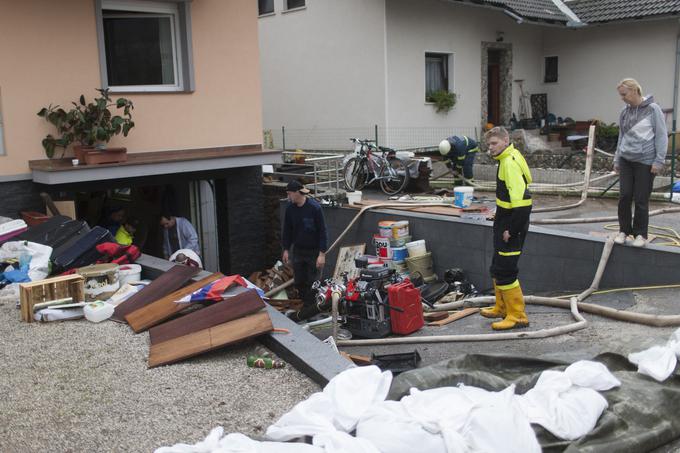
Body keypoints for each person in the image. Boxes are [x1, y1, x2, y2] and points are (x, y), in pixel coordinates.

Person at [479, 127, 532, 330]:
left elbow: (522, 202)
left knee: (506, 270)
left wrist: (512, 229)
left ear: (505, 140)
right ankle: (501, 307)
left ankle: (517, 316)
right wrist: (499, 212)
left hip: (511, 225)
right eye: (488, 144)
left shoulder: (509, 163)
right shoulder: (506, 158)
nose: (490, 148)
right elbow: (508, 197)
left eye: (494, 143)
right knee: (497, 266)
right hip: (504, 220)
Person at [613, 78, 668, 248]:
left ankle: (640, 235)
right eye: (620, 95)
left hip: (645, 161)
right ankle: (624, 231)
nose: (622, 98)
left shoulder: (653, 110)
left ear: (635, 91)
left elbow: (661, 136)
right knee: (625, 196)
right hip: (626, 160)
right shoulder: (625, 112)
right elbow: (622, 136)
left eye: (624, 94)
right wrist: (617, 159)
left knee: (641, 199)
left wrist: (658, 160)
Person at [281, 180, 328, 322]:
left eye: (290, 194)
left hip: (313, 251)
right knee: (300, 281)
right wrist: (286, 249)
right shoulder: (290, 209)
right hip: (299, 250)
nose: (288, 197)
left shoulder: (314, 208)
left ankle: (312, 310)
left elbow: (322, 232)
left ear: (297, 193)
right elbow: (287, 230)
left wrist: (321, 254)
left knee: (313, 282)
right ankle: (306, 308)